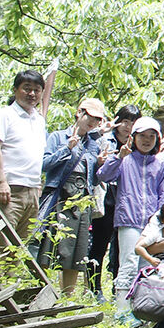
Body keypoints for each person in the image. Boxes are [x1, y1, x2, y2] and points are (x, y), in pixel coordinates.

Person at [98, 116, 164, 303]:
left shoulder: (161, 165)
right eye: (142, 136)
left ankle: (140, 307)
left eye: (151, 136)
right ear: (133, 137)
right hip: (128, 220)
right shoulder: (125, 160)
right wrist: (118, 157)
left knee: (145, 265)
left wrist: (158, 221)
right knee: (129, 263)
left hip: (151, 223)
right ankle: (122, 309)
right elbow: (104, 176)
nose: (146, 140)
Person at [37, 97, 105, 292]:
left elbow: (93, 180)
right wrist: (67, 148)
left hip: (82, 201)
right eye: (89, 116)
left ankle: (68, 297)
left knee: (76, 251)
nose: (92, 122)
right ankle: (40, 291)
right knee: (47, 248)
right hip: (59, 198)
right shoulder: (58, 137)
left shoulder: (94, 145)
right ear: (79, 112)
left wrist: (100, 166)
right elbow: (44, 165)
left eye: (97, 119)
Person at [0, 69, 50, 242]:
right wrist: (1, 182)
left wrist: (38, 186)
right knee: (3, 243)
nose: (32, 93)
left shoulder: (39, 120)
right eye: (27, 88)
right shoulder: (5, 115)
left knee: (20, 248)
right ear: (15, 89)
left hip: (33, 191)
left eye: (37, 90)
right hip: (9, 190)